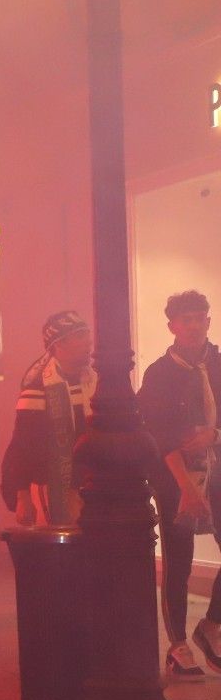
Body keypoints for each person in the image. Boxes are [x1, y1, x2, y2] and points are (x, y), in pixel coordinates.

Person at [138, 290, 221, 679]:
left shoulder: (218, 364)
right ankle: (178, 644)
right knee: (179, 559)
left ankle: (211, 625)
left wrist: (214, 435)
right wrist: (186, 487)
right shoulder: (160, 373)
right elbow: (158, 435)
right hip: (175, 475)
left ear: (208, 320)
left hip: (217, 467)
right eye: (183, 319)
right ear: (172, 326)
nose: (192, 325)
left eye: (198, 317)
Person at [1, 310, 95, 529]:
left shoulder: (92, 380)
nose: (88, 341)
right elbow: (23, 444)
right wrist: (23, 497)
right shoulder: (38, 385)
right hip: (48, 485)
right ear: (59, 344)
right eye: (80, 335)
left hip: (86, 484)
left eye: (87, 333)